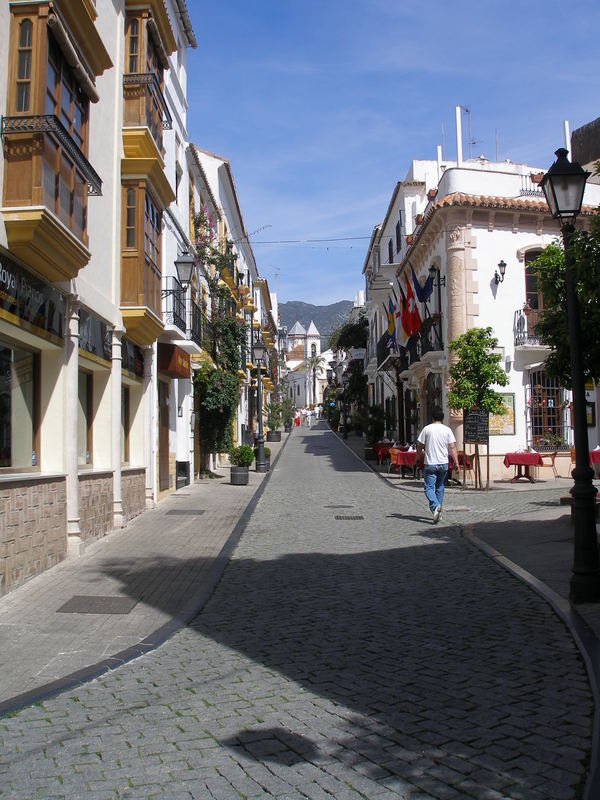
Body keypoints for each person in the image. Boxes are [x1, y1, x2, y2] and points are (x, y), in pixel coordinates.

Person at [416, 407, 459, 524]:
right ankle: (438, 515)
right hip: (444, 463)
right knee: (440, 487)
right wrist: (456, 462)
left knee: (428, 488)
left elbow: (420, 446)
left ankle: (435, 507)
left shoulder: (427, 429)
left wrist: (417, 458)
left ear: (432, 417)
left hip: (430, 463)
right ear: (442, 418)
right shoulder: (447, 430)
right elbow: (452, 447)